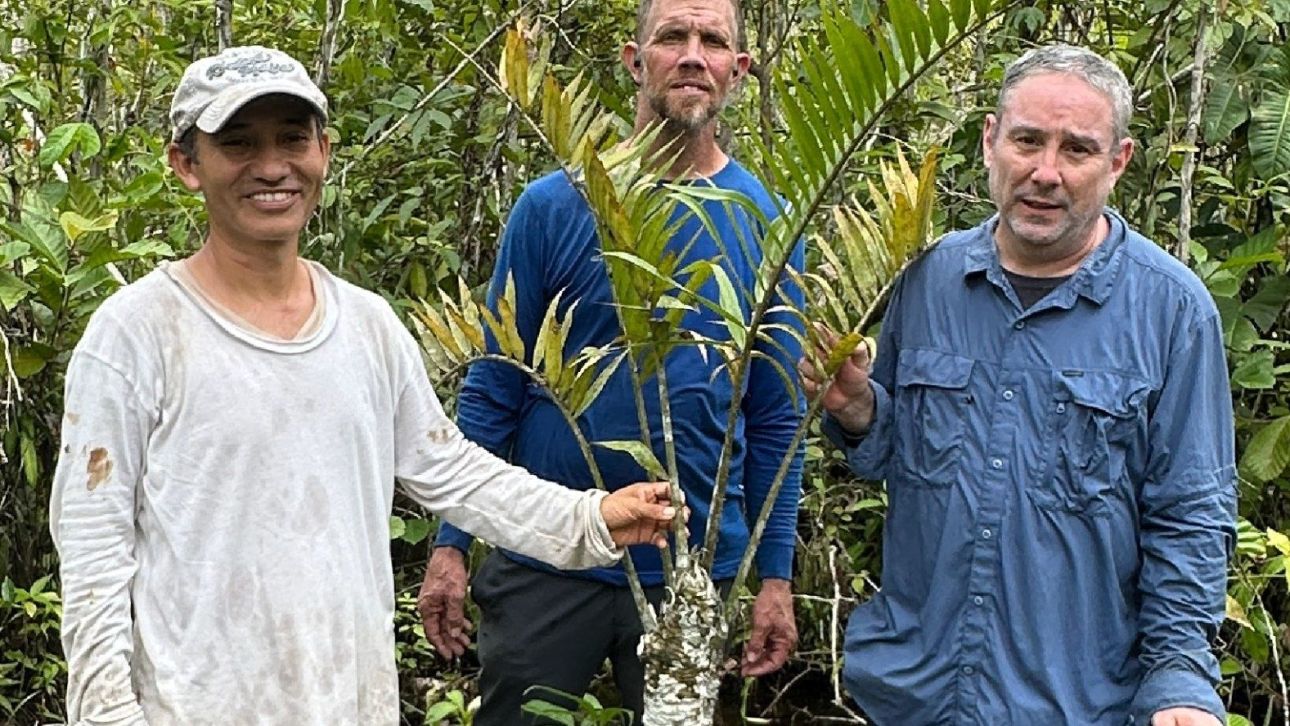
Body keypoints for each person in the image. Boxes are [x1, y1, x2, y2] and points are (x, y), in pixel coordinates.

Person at [49, 45, 682, 726]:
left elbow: (451, 471)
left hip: (350, 701)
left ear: (324, 151)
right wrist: (107, 714)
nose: (272, 167)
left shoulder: (366, 326)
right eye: (238, 143)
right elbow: (94, 552)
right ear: (186, 163)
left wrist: (589, 519)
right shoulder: (136, 334)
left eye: (293, 139)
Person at [800, 44, 1236, 726]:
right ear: (990, 141)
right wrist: (859, 410)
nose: (1045, 172)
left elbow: (1191, 515)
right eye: (1027, 140)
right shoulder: (927, 279)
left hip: (1076, 704)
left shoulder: (1173, 312)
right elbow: (898, 458)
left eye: (1077, 149)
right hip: (915, 693)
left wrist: (1179, 679)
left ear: (1118, 162)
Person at [416, 0, 805, 722]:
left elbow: (777, 416)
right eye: (672, 37)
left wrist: (775, 577)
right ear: (634, 60)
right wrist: (451, 544)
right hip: (545, 559)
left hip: (691, 573)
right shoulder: (554, 207)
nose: (693, 55)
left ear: (739, 69)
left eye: (713, 41)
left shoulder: (769, 225)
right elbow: (497, 382)